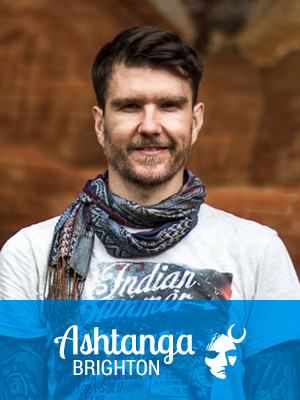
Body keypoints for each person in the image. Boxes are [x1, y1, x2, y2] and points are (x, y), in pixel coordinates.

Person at [0, 25, 299, 399]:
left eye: (170, 106)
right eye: (130, 106)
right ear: (99, 122)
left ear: (196, 120)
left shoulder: (258, 251)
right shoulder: (30, 253)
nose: (150, 125)